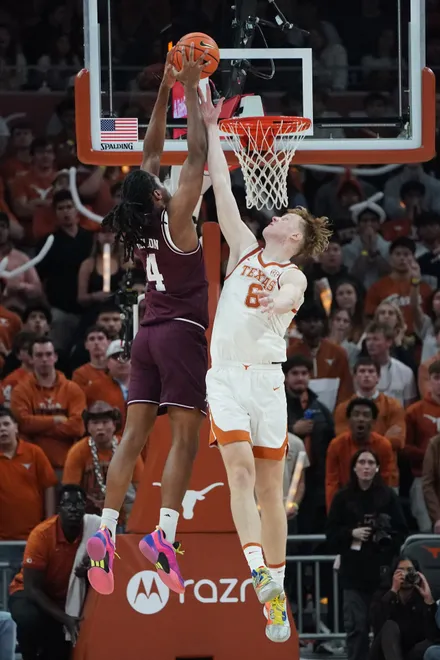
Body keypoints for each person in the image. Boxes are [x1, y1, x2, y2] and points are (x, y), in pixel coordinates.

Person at [199, 85, 331, 643]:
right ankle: (260, 574)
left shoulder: (296, 273)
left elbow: (287, 300)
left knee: (272, 490)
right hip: (226, 375)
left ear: (295, 237)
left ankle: (274, 590)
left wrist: (275, 300)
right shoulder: (244, 247)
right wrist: (211, 127)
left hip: (268, 380)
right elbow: (224, 189)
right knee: (240, 473)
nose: (276, 216)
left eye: (288, 219)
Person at [86, 46, 209, 596]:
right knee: (184, 439)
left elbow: (151, 149)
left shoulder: (137, 229)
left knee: (132, 438)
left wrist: (166, 90)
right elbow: (196, 155)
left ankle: (107, 532)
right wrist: (199, 96)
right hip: (181, 333)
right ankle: (162, 535)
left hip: (145, 335)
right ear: (158, 194)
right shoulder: (178, 215)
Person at [326, 450, 407, 660]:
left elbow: (402, 531)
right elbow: (330, 535)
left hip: (382, 573)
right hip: (353, 574)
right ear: (354, 467)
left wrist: (386, 539)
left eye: (371, 462)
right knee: (357, 629)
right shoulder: (342, 498)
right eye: (362, 462)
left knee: (383, 628)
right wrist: (351, 533)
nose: (366, 466)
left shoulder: (388, 496)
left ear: (377, 468)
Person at [8, 484, 98, 660]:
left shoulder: (94, 530)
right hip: (29, 592)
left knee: (59, 651)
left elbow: (110, 562)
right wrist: (65, 618)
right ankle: (28, 654)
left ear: (85, 507)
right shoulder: (41, 536)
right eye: (67, 504)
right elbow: (32, 588)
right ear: (59, 509)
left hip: (66, 597)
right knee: (29, 618)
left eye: (78, 503)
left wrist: (92, 569)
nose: (73, 509)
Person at [326, 397, 395, 510]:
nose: (360, 419)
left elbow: (385, 480)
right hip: (345, 501)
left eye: (366, 415)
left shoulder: (384, 445)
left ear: (373, 422)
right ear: (348, 420)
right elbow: (331, 482)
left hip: (375, 500)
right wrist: (333, 512)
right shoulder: (336, 445)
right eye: (356, 414)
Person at [370, 556, 439, 660]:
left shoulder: (422, 598)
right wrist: (393, 591)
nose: (405, 575)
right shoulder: (383, 594)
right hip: (386, 652)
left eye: (410, 571)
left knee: (427, 644)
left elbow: (434, 636)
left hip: (412, 653)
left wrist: (429, 601)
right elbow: (376, 622)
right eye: (400, 571)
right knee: (390, 627)